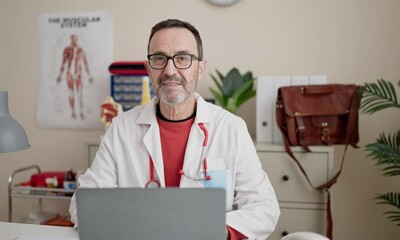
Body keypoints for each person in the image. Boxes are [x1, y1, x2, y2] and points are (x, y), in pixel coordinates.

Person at [69, 19, 280, 239]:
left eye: (182, 58)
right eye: (159, 58)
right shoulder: (122, 129)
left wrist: (214, 228)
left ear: (200, 68)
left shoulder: (231, 129)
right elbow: (83, 203)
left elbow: (264, 207)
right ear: (148, 68)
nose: (170, 70)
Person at [56, 34, 93, 120]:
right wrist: (60, 75)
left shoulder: (81, 50)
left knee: (80, 94)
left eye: (75, 39)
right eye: (73, 39)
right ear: (71, 39)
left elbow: (85, 63)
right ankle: (73, 111)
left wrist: (89, 76)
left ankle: (81, 111)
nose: (74, 40)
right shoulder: (67, 50)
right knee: (71, 93)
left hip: (78, 73)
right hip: (70, 73)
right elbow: (64, 63)